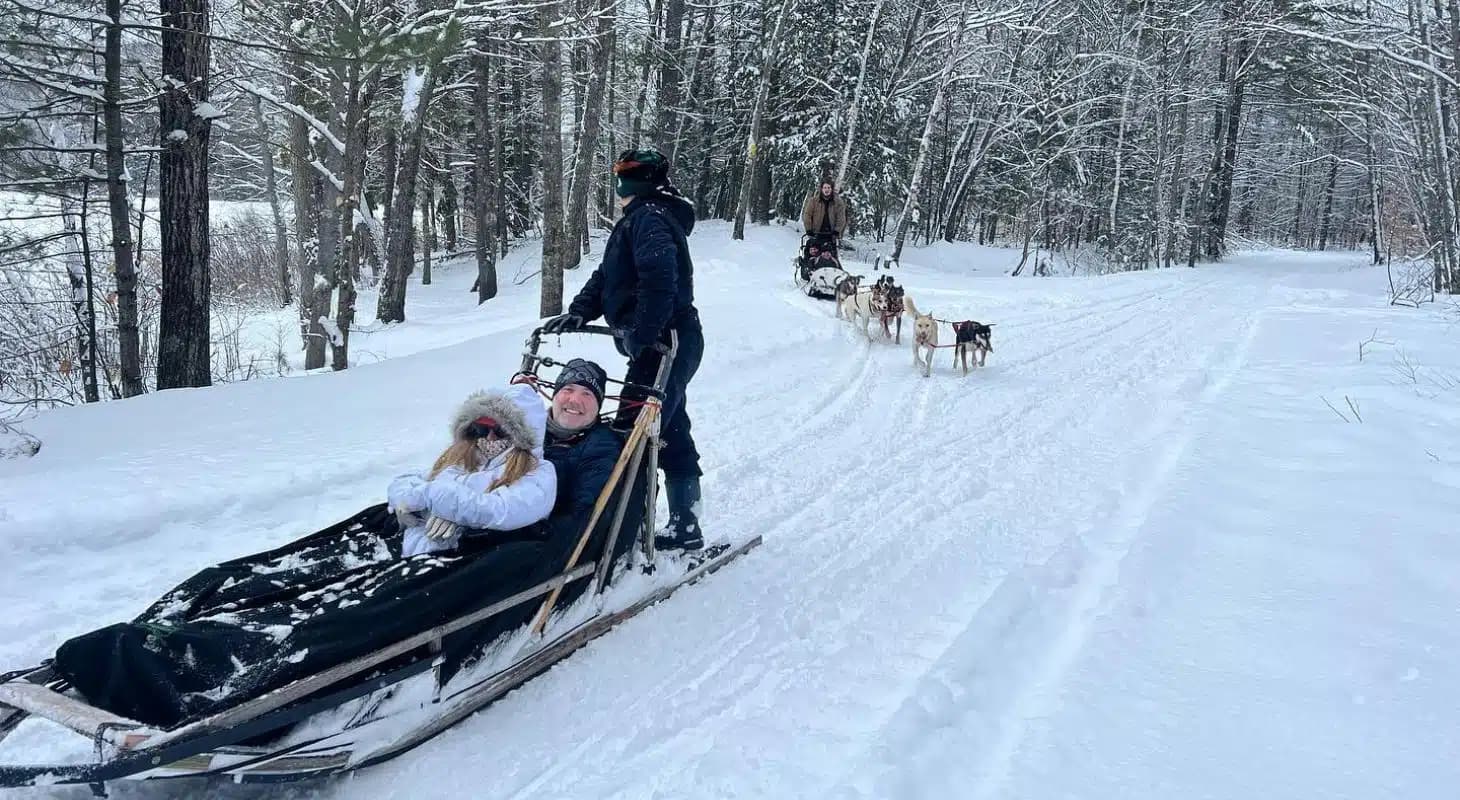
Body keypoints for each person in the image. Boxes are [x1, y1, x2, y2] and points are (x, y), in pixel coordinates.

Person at [540, 148, 706, 552]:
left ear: (645, 181)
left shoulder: (650, 218)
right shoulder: (641, 218)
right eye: (619, 171)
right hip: (662, 342)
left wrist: (641, 333)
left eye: (628, 173)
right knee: (670, 429)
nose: (620, 181)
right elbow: (608, 277)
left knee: (636, 434)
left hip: (667, 341)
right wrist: (580, 312)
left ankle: (628, 530)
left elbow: (659, 280)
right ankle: (685, 525)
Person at [388, 384, 557, 557]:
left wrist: (439, 503)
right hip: (413, 547)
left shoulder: (538, 471)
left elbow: (503, 510)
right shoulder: (463, 455)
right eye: (481, 429)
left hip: (475, 555)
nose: (489, 437)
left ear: (521, 436)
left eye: (500, 431)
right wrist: (409, 504)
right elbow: (405, 480)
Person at [801, 178, 848, 252]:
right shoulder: (813, 201)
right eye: (825, 188)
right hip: (815, 234)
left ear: (832, 189)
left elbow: (841, 218)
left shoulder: (838, 203)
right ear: (821, 189)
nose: (827, 190)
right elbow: (807, 215)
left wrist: (837, 231)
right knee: (810, 252)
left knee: (830, 255)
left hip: (831, 235)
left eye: (829, 188)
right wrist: (808, 229)